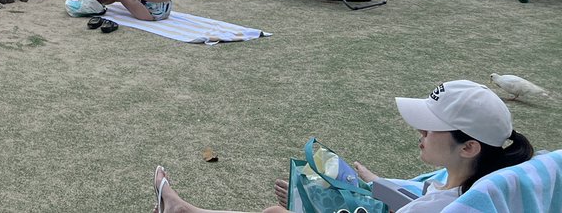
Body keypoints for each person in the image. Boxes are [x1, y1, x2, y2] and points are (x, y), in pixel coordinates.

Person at [150, 79, 533, 213]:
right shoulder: (468, 185)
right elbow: (416, 197)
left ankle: (185, 211)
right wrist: (371, 182)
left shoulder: (448, 204)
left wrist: (313, 204)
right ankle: (187, 211)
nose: (420, 131)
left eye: (431, 128)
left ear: (469, 147)